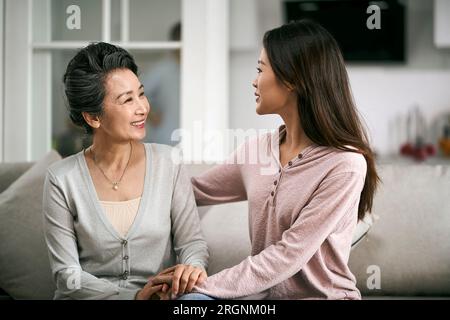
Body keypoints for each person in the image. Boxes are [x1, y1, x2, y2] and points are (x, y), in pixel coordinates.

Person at [186, 20, 380, 299]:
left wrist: (202, 285)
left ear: (292, 79)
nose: (254, 81)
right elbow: (192, 191)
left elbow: (287, 255)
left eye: (260, 69)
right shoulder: (255, 150)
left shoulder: (344, 165)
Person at [42, 42, 208, 300]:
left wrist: (191, 270)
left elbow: (192, 244)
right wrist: (133, 297)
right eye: (127, 100)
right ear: (93, 117)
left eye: (141, 94)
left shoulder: (169, 163)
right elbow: (66, 274)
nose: (142, 108)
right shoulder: (61, 179)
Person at [141, 22, 181, 146]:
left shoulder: (199, 71)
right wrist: (151, 114)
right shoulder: (162, 70)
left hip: (193, 144)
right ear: (175, 43)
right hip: (165, 142)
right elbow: (135, 93)